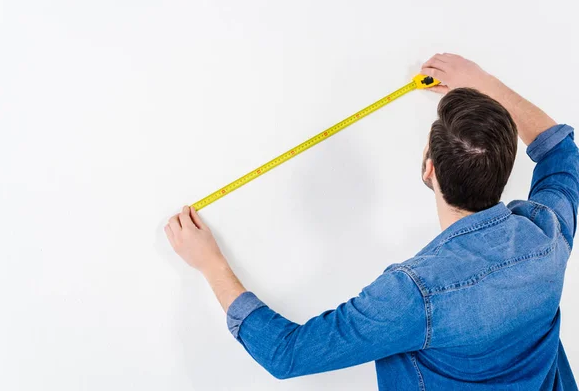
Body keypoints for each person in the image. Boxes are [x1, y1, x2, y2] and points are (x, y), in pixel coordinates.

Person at [164, 54, 579, 390]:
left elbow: (287, 354)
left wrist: (210, 265)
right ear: (506, 168)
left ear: (428, 169)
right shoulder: (547, 233)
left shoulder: (414, 294)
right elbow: (559, 151)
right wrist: (483, 82)